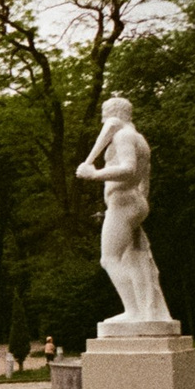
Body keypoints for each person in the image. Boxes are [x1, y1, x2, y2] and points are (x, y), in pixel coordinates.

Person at [73, 95, 173, 326]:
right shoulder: (139, 138)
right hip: (134, 201)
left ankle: (134, 311)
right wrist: (140, 205)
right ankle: (148, 311)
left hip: (123, 202)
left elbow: (129, 169)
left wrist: (94, 174)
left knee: (109, 259)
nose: (102, 121)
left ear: (112, 115)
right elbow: (144, 179)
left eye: (103, 116)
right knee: (134, 260)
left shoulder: (123, 135)